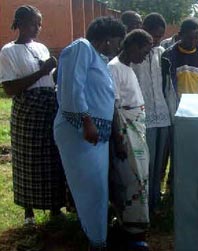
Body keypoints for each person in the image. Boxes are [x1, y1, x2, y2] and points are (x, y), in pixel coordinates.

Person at [54, 16, 126, 250]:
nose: (118, 46)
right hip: (80, 132)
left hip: (95, 135)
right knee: (91, 190)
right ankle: (96, 241)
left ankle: (97, 238)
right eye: (117, 41)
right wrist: (86, 121)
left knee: (97, 189)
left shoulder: (100, 59)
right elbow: (71, 87)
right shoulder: (81, 48)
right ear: (106, 40)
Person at [0, 5, 65, 226]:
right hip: (27, 110)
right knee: (27, 160)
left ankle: (55, 207)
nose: (37, 28)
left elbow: (50, 79)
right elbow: (9, 89)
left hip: (48, 106)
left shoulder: (42, 47)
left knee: (51, 157)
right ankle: (29, 211)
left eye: (39, 24)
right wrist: (42, 71)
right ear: (19, 24)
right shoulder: (8, 51)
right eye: (32, 23)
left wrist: (56, 72)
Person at [108, 29, 153, 251]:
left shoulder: (128, 68)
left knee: (141, 177)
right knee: (130, 179)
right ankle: (130, 232)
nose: (145, 56)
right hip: (126, 132)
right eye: (144, 51)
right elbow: (114, 108)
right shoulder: (114, 68)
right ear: (133, 45)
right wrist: (119, 139)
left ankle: (136, 227)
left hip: (136, 129)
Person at [132, 13, 177, 214]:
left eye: (160, 36)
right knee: (146, 164)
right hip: (144, 117)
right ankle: (143, 206)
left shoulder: (161, 53)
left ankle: (155, 202)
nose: (157, 40)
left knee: (159, 164)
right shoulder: (134, 56)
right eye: (153, 35)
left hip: (163, 115)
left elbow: (167, 86)